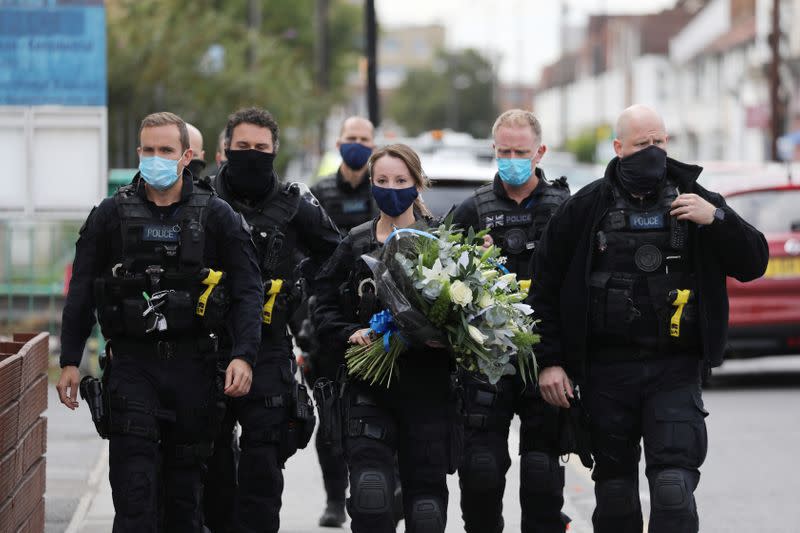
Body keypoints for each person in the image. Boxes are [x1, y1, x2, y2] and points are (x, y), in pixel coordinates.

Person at [532, 104, 769, 533]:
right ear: (619, 147)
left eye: (660, 142)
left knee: (673, 491)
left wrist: (716, 219)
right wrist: (551, 360)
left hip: (674, 369)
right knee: (617, 499)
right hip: (606, 372)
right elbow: (544, 289)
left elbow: (754, 262)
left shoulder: (697, 201)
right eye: (643, 144)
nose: (654, 152)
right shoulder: (585, 208)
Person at [55, 111, 263, 533]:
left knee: (185, 500)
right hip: (133, 366)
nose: (156, 158)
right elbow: (81, 290)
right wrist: (70, 360)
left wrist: (244, 355)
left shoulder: (217, 216)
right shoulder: (110, 215)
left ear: (186, 155)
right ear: (138, 152)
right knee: (135, 494)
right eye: (148, 150)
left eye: (165, 150)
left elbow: (247, 290)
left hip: (195, 369)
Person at [204, 106, 341, 533]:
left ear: (275, 151)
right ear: (225, 149)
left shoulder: (295, 205)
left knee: (264, 460)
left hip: (268, 347)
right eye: (242, 146)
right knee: (213, 464)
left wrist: (306, 294)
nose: (251, 154)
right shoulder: (202, 199)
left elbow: (336, 257)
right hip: (207, 346)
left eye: (260, 148)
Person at [314, 144, 461, 533]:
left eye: (400, 180)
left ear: (417, 184)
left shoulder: (442, 244)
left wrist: (446, 338)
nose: (391, 188)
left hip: (427, 391)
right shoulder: (355, 243)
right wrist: (351, 333)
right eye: (382, 181)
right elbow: (322, 306)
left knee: (426, 507)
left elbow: (467, 314)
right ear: (371, 184)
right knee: (370, 494)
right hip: (368, 391)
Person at [451, 109, 571, 533]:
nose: (512, 158)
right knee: (481, 472)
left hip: (545, 359)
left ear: (540, 152)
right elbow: (448, 290)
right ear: (494, 150)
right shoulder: (471, 210)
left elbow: (579, 290)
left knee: (541, 474)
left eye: (521, 151)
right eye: (504, 151)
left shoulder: (565, 209)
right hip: (486, 362)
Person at [306, 115, 379, 526]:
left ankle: (371, 490)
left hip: (378, 321)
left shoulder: (385, 190)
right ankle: (336, 499)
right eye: (351, 138)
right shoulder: (319, 195)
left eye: (363, 139)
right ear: (339, 143)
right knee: (331, 418)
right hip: (330, 321)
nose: (357, 145)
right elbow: (303, 259)